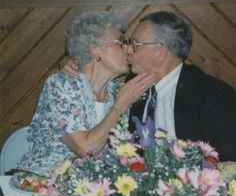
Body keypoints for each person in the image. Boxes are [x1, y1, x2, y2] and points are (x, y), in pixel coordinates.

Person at [62, 11, 236, 162]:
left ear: (161, 51)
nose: (128, 50)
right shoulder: (130, 87)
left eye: (135, 44)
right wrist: (72, 62)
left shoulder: (211, 96)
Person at [17, 11, 157, 174]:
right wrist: (120, 106)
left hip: (92, 187)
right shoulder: (61, 85)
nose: (127, 48)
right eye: (120, 42)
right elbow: (85, 149)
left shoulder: (116, 90)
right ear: (95, 51)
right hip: (43, 184)